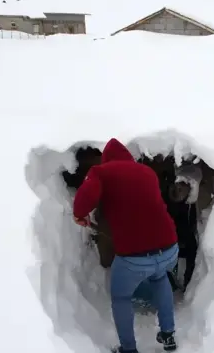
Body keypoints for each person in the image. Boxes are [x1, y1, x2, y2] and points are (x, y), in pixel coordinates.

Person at [72, 138, 179, 353]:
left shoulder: (101, 172)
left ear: (106, 160)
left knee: (121, 298)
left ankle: (128, 349)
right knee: (160, 277)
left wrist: (79, 214)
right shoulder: (147, 172)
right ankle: (168, 335)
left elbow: (85, 198)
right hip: (169, 248)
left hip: (134, 258)